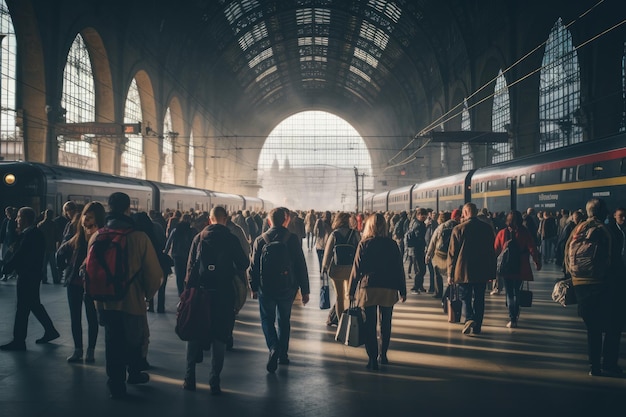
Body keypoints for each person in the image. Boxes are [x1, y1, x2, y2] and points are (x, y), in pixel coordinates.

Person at [95, 192, 162, 399]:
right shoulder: (139, 237)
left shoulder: (98, 236)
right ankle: (134, 374)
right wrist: (147, 295)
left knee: (112, 342)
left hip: (105, 302)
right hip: (132, 302)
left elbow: (90, 270)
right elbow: (154, 273)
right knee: (134, 340)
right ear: (127, 209)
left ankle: (115, 383)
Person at [182, 206, 249, 395]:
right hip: (224, 295)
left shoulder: (199, 238)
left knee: (193, 335)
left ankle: (189, 378)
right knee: (220, 338)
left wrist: (188, 293)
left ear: (210, 219)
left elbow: (190, 269)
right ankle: (214, 381)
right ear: (225, 219)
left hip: (200, 294)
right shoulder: (231, 238)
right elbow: (244, 263)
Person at [248, 207, 310, 373]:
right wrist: (305, 290)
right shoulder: (292, 239)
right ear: (286, 220)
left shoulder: (260, 240)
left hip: (265, 288)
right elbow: (300, 265)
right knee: (284, 321)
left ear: (269, 221)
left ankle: (273, 347)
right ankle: (283, 354)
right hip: (287, 287)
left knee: (267, 319)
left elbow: (253, 267)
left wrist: (253, 287)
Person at [565, 198, 621, 376]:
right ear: (603, 212)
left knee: (593, 329)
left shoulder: (577, 229)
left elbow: (565, 253)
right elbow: (614, 261)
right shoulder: (606, 231)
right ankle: (609, 364)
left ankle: (594, 366)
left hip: (580, 285)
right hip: (602, 285)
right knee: (613, 326)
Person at [349, 213, 406, 370]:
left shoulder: (364, 244)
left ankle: (372, 358)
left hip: (369, 288)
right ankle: (384, 355)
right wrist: (403, 290)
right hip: (389, 287)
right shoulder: (392, 244)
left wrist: (351, 290)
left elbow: (356, 269)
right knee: (385, 323)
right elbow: (398, 269)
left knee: (370, 324)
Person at [0, 207, 60, 351]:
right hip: (32, 276)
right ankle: (50, 331)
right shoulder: (32, 233)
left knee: (22, 308)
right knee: (33, 305)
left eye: (19, 217)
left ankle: (19, 341)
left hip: (27, 276)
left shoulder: (31, 235)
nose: (16, 220)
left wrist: (6, 268)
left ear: (25, 219)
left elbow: (20, 255)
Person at [56, 202, 106, 362]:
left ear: (98, 218)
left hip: (92, 284)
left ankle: (90, 350)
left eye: (89, 217)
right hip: (74, 283)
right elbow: (61, 251)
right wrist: (64, 266)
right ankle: (78, 349)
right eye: (85, 215)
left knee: (92, 319)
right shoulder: (77, 235)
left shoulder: (101, 236)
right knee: (75, 318)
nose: (85, 219)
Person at [447, 203, 496, 335]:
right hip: (482, 270)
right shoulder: (487, 228)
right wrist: (492, 271)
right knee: (480, 298)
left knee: (465, 297)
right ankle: (477, 326)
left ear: (466, 212)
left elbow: (452, 254)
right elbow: (492, 251)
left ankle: (469, 318)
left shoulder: (458, 229)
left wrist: (450, 274)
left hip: (463, 270)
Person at [493, 210, 541, 328]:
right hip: (521, 266)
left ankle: (512, 318)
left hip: (506, 268)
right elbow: (532, 248)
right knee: (516, 291)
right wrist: (536, 262)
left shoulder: (502, 233)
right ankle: (516, 310)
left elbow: (495, 250)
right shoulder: (525, 232)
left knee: (509, 293)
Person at [321, 212, 361, 325]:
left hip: (336, 270)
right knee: (349, 295)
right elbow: (359, 251)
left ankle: (340, 322)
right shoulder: (355, 234)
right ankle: (349, 320)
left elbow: (328, 254)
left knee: (339, 297)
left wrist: (324, 268)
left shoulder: (334, 234)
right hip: (351, 270)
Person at [164, 213, 197, 296]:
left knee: (179, 277)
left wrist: (165, 253)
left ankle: (181, 294)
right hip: (188, 256)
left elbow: (169, 243)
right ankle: (187, 294)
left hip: (177, 256)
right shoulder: (192, 231)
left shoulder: (176, 230)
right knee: (187, 276)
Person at [425, 211, 454, 299]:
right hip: (452, 254)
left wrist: (428, 254)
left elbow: (432, 242)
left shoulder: (440, 227)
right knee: (452, 275)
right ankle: (450, 292)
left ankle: (438, 292)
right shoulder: (457, 226)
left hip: (439, 255)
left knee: (437, 274)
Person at [407, 208, 428, 294]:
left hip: (417, 250)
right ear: (418, 215)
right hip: (417, 250)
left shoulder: (417, 223)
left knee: (421, 269)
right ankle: (415, 287)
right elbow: (420, 238)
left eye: (425, 215)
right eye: (422, 216)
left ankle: (420, 286)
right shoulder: (418, 225)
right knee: (420, 269)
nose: (424, 217)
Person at [38, 209, 61, 284]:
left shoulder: (40, 225)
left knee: (43, 265)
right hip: (51, 247)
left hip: (43, 247)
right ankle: (55, 279)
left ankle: (44, 279)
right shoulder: (54, 224)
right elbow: (57, 235)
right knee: (53, 264)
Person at [1, 206, 18, 281]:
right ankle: (8, 274)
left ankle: (7, 274)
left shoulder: (14, 221)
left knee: (7, 258)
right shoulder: (6, 221)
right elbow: (3, 231)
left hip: (11, 242)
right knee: (5, 258)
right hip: (6, 242)